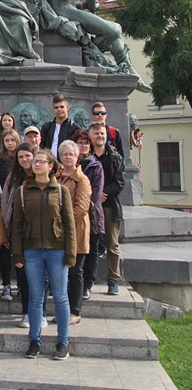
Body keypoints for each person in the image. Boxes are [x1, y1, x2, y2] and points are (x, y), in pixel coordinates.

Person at [11, 148, 76, 360]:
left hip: (57, 250)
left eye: (41, 161)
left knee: (60, 296)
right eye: (35, 161)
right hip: (32, 251)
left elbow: (69, 224)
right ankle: (34, 340)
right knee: (35, 296)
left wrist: (71, 253)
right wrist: (17, 253)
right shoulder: (23, 191)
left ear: (51, 166)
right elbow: (17, 225)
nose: (36, 164)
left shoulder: (61, 190)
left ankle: (63, 342)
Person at [1, 143, 35, 327]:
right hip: (17, 230)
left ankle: (38, 311)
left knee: (36, 276)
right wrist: (6, 231)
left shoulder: (41, 175)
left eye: (27, 156)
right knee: (22, 273)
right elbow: (5, 203)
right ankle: (26, 312)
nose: (24, 160)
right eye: (21, 157)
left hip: (37, 232)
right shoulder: (12, 178)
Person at [58, 140, 92, 324]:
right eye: (64, 154)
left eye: (71, 154)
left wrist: (65, 226)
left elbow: (81, 208)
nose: (68, 157)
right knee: (61, 273)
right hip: (57, 232)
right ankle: (63, 310)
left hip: (76, 230)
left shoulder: (82, 179)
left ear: (77, 156)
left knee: (75, 271)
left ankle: (75, 311)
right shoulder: (55, 176)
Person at [89, 123, 125, 295]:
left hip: (109, 204)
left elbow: (120, 181)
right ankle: (87, 280)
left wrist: (104, 193)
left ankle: (113, 280)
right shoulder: (86, 156)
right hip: (90, 205)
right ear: (91, 136)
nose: (100, 136)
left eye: (102, 133)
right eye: (96, 133)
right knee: (90, 245)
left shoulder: (115, 157)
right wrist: (94, 195)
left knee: (112, 244)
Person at [74, 129, 105, 300]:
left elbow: (96, 192)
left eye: (86, 143)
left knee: (91, 250)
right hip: (74, 214)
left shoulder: (96, 166)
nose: (83, 146)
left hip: (91, 215)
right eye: (80, 142)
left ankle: (87, 284)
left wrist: (82, 208)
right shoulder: (69, 164)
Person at [0, 126, 21, 302]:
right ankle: (6, 284)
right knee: (5, 247)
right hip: (4, 205)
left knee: (19, 248)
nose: (10, 143)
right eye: (7, 140)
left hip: (19, 207)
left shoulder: (21, 159)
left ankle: (21, 284)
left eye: (13, 140)